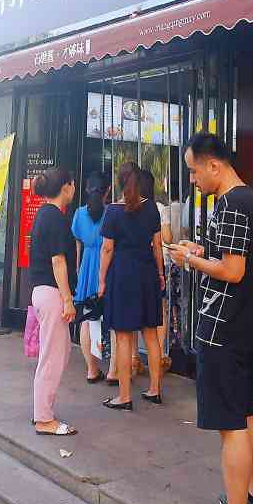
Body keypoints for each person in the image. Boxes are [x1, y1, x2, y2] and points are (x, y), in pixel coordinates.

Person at [170, 132, 253, 504]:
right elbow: (233, 258)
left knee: (231, 425)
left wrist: (188, 260)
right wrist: (200, 249)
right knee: (248, 413)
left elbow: (231, 271)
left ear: (215, 165)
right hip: (246, 327)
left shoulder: (231, 203)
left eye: (194, 171)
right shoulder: (250, 201)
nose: (192, 180)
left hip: (223, 330)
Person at [98, 162, 165, 410]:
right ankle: (155, 390)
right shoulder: (151, 209)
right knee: (150, 333)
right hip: (147, 271)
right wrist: (160, 274)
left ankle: (124, 396)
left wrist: (102, 279)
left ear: (119, 182)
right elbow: (157, 245)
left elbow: (107, 248)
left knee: (124, 337)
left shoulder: (113, 211)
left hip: (123, 274)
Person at [29, 167, 78, 437]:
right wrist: (68, 299)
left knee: (55, 353)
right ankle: (44, 419)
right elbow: (58, 262)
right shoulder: (56, 219)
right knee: (53, 356)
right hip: (51, 293)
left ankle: (42, 411)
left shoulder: (44, 215)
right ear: (66, 187)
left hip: (43, 291)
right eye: (72, 184)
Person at [72, 172, 111, 384]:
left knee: (86, 318)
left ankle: (91, 369)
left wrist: (79, 268)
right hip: (106, 265)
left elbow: (78, 243)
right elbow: (109, 246)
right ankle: (114, 369)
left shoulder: (79, 213)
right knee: (111, 319)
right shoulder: (110, 213)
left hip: (87, 264)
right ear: (108, 191)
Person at [139, 170, 173, 374]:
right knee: (158, 312)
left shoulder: (127, 207)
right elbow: (167, 238)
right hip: (156, 265)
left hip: (135, 266)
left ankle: (134, 358)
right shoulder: (158, 208)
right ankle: (158, 357)